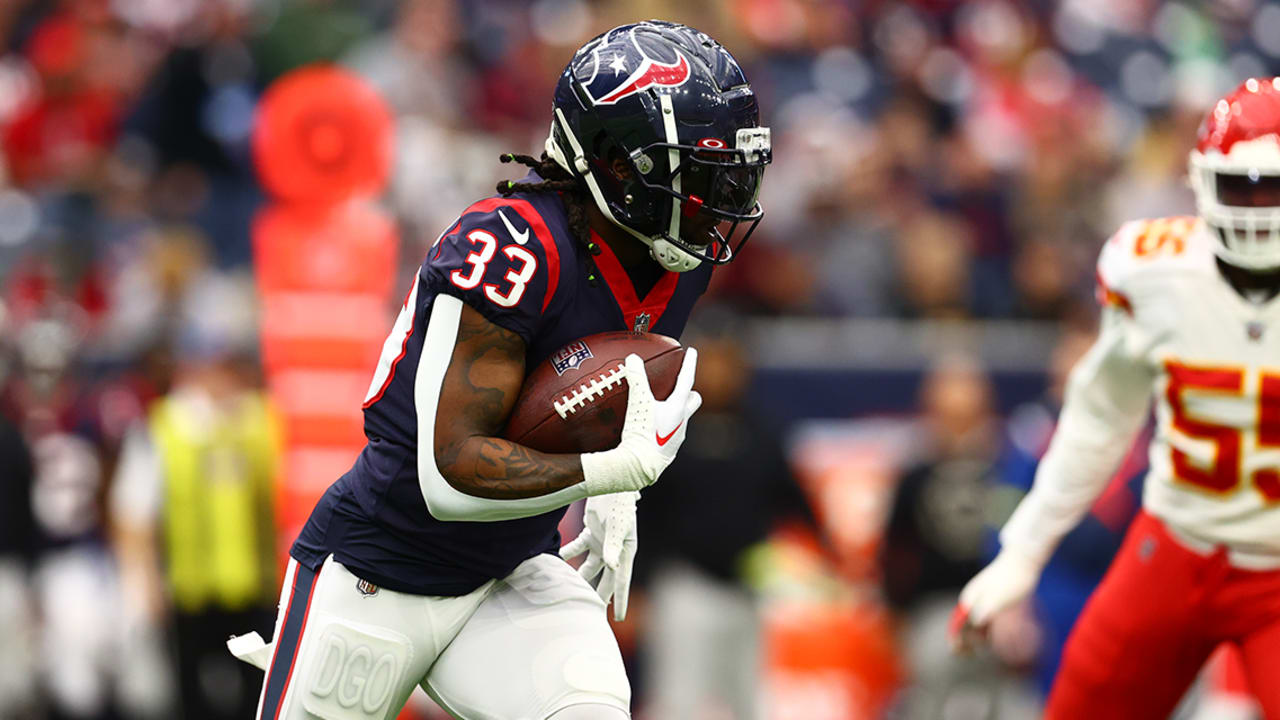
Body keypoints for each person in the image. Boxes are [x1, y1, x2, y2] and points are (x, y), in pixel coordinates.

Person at [232, 21, 771, 720]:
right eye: (691, 171)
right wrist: (608, 474)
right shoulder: (509, 246)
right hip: (380, 567)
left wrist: (618, 489)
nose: (712, 196)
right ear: (613, 164)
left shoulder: (674, 254)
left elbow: (619, 390)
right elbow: (448, 470)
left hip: (509, 571)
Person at [952, 77, 1280, 719]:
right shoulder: (1156, 271)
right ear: (1201, 182)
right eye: (1241, 186)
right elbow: (1099, 417)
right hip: (1175, 546)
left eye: (1273, 187)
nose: (1256, 208)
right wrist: (1023, 555)